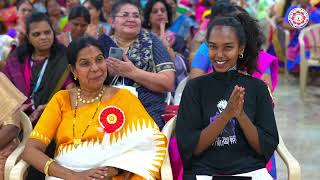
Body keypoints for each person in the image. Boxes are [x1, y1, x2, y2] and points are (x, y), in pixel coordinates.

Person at [22, 36, 167, 180]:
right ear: (73, 70)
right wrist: (74, 176)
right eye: (85, 63)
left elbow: (150, 142)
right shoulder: (62, 100)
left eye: (99, 59)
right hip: (64, 176)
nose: (95, 68)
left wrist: (114, 169)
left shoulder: (124, 97)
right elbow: (30, 151)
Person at [176, 17, 279, 180]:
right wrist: (226, 115)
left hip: (249, 171)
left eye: (228, 47)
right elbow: (191, 148)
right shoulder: (194, 88)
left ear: (241, 49)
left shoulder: (258, 88)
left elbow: (265, 147)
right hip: (205, 173)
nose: (219, 54)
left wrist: (240, 115)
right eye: (213, 47)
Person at [98, 0, 175, 129]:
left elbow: (167, 82)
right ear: (112, 21)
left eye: (136, 15)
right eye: (125, 15)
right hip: (106, 109)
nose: (131, 19)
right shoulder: (102, 45)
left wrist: (132, 72)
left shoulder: (152, 42)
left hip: (146, 108)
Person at [190, 2, 278, 92]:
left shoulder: (261, 60)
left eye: (228, 46)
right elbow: (194, 86)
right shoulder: (208, 48)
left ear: (242, 46)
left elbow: (265, 97)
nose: (219, 54)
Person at [3, 12, 73, 124]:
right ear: (29, 38)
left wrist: (46, 108)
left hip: (54, 119)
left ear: (53, 33)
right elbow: (5, 89)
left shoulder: (64, 57)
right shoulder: (18, 59)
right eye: (36, 34)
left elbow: (71, 93)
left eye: (47, 32)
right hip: (19, 121)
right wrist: (16, 109)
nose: (43, 37)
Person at [143, 0, 188, 89]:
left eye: (163, 11)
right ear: (148, 17)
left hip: (174, 85)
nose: (160, 13)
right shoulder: (143, 39)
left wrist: (172, 55)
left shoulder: (177, 39)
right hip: (149, 85)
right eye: (155, 11)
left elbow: (186, 65)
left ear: (167, 15)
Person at [281, 0, 320, 72]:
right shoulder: (293, 9)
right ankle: (300, 66)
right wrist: (297, 25)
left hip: (310, 39)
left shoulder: (315, 11)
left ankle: (311, 67)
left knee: (308, 40)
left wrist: (309, 23)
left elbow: (317, 28)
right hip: (296, 38)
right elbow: (284, 24)